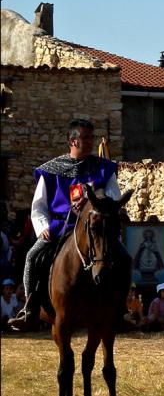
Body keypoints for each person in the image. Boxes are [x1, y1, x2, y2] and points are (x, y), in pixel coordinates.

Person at [9, 119, 121, 332]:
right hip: (60, 227)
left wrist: (97, 199)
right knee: (32, 257)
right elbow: (39, 205)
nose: (90, 141)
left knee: (122, 255)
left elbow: (114, 196)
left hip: (95, 227)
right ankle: (29, 309)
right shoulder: (51, 170)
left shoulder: (103, 168)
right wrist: (42, 227)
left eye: (91, 137)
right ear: (72, 141)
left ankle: (119, 309)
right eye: (85, 137)